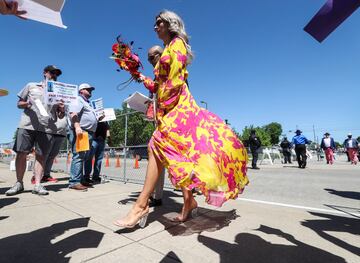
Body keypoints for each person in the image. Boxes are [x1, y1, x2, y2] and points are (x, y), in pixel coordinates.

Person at [114, 10, 248, 228]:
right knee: (178, 156)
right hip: (171, 109)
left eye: (159, 23)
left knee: (156, 146)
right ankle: (188, 202)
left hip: (178, 110)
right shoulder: (168, 49)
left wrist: (162, 110)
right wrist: (137, 75)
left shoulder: (177, 45)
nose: (155, 27)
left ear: (170, 24)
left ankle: (140, 206)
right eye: (155, 23)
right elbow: (159, 86)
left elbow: (174, 84)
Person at [6, 65, 65, 196]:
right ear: (45, 73)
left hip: (47, 127)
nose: (54, 75)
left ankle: (37, 184)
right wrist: (28, 103)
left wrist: (62, 108)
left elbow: (60, 116)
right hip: (27, 125)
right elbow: (19, 104)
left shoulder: (58, 92)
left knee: (41, 155)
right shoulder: (31, 85)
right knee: (21, 153)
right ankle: (19, 183)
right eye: (52, 72)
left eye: (57, 74)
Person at [68, 83, 98, 191]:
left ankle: (80, 180)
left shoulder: (87, 103)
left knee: (84, 156)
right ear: (81, 91)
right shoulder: (78, 99)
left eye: (91, 89)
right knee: (79, 156)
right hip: (82, 131)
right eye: (88, 89)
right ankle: (74, 182)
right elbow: (73, 113)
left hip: (88, 132)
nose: (90, 91)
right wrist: (77, 127)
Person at [146, 45, 165, 207]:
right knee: (156, 155)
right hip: (159, 121)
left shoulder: (169, 68)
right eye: (148, 58)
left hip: (172, 121)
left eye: (152, 57)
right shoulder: (155, 75)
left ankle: (190, 195)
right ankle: (155, 196)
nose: (150, 61)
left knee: (180, 159)